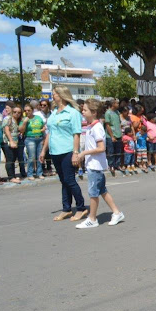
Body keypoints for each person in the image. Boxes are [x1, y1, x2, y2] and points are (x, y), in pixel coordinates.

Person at [39, 86, 88, 221]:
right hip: (55, 151)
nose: (52, 96)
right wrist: (43, 150)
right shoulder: (54, 112)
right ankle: (66, 209)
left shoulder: (73, 112)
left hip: (67, 150)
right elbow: (50, 132)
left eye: (54, 94)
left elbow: (76, 134)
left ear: (61, 95)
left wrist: (75, 153)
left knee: (70, 180)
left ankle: (81, 208)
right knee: (63, 181)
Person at [76, 99, 125, 228]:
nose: (83, 112)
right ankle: (117, 213)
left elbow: (101, 148)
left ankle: (92, 219)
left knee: (93, 193)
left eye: (85, 110)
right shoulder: (91, 126)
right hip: (93, 164)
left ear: (93, 112)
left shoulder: (97, 128)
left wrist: (83, 153)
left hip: (95, 165)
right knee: (102, 190)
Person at [1, 104, 26, 183]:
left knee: (13, 159)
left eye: (19, 112)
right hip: (8, 142)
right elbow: (6, 130)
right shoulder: (8, 118)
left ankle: (13, 175)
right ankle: (11, 177)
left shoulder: (17, 120)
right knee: (10, 159)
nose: (16, 114)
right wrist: (11, 141)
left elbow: (20, 130)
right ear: (12, 111)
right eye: (15, 112)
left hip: (16, 142)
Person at [22, 103, 45, 180]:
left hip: (40, 138)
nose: (27, 112)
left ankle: (39, 173)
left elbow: (43, 126)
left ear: (32, 110)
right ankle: (30, 174)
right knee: (31, 157)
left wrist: (43, 129)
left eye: (29, 110)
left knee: (40, 157)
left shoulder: (38, 117)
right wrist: (25, 122)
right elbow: (21, 130)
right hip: (30, 138)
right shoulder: (24, 119)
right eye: (25, 111)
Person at [104, 99, 123, 176]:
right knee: (111, 151)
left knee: (118, 151)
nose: (118, 105)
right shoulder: (108, 113)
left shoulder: (117, 112)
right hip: (111, 135)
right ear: (113, 104)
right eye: (117, 103)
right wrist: (112, 136)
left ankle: (117, 165)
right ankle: (111, 165)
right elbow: (107, 125)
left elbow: (119, 123)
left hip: (118, 134)